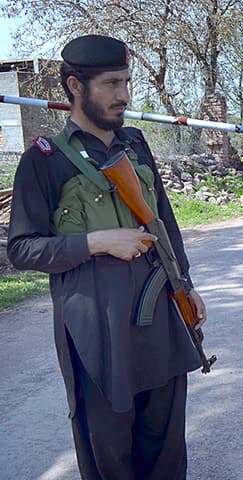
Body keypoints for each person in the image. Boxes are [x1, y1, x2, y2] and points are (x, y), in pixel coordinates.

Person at [7, 34, 206, 479]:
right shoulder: (44, 161)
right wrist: (97, 242)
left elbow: (165, 224)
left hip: (160, 320)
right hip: (96, 334)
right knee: (108, 455)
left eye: (127, 82)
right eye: (112, 84)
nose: (124, 95)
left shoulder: (135, 145)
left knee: (166, 450)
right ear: (75, 86)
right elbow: (22, 249)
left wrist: (186, 287)